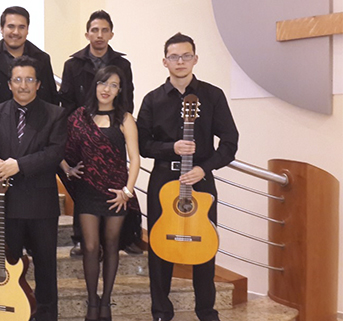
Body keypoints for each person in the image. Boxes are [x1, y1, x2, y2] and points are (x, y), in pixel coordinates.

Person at [137, 33, 239, 321]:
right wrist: (172, 147)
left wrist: (204, 168)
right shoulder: (152, 99)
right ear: (164, 61)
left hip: (200, 181)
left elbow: (230, 142)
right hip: (162, 182)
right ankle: (161, 311)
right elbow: (143, 145)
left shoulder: (212, 95)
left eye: (185, 56)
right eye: (174, 56)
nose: (179, 61)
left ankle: (206, 311)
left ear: (195, 58)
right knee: (158, 246)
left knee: (205, 245)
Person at [0, 56, 67, 321]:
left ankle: (46, 315)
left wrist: (19, 165)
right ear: (9, 84)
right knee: (7, 265)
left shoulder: (55, 113)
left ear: (39, 84)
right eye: (17, 80)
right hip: (6, 205)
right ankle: (11, 312)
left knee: (45, 267)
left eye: (29, 79)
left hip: (41, 204)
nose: (23, 85)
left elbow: (55, 153)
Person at [60, 66, 140, 321]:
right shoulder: (79, 117)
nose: (107, 89)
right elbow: (58, 146)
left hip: (116, 192)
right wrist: (67, 168)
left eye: (113, 85)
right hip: (87, 191)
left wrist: (127, 191)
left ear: (119, 90)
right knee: (91, 246)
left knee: (112, 244)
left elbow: (135, 159)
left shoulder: (125, 118)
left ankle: (106, 302)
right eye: (103, 83)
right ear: (95, 85)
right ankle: (92, 301)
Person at [57, 10, 140, 257]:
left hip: (110, 129)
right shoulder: (73, 64)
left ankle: (121, 237)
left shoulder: (123, 64)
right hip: (81, 132)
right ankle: (83, 238)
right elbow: (67, 102)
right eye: (95, 30)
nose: (100, 35)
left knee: (115, 184)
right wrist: (78, 129)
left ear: (111, 33)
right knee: (83, 187)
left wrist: (117, 126)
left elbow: (128, 99)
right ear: (87, 33)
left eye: (104, 30)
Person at [0, 6, 58, 108]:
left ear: (27, 30)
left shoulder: (42, 59)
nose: (16, 32)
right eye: (11, 26)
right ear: (2, 29)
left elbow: (51, 100)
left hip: (35, 121)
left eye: (21, 27)